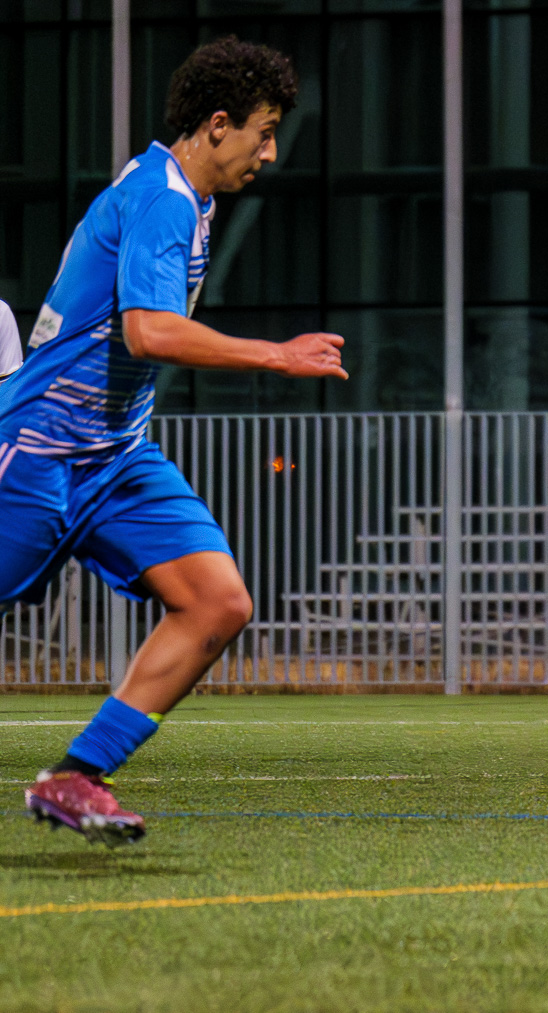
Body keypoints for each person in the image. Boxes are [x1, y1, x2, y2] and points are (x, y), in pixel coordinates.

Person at [16, 37, 346, 846]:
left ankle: (75, 776)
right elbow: (149, 331)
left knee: (218, 601)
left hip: (116, 456)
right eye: (263, 134)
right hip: (38, 449)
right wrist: (279, 354)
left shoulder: (184, 198)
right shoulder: (164, 196)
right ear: (219, 124)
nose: (269, 154)